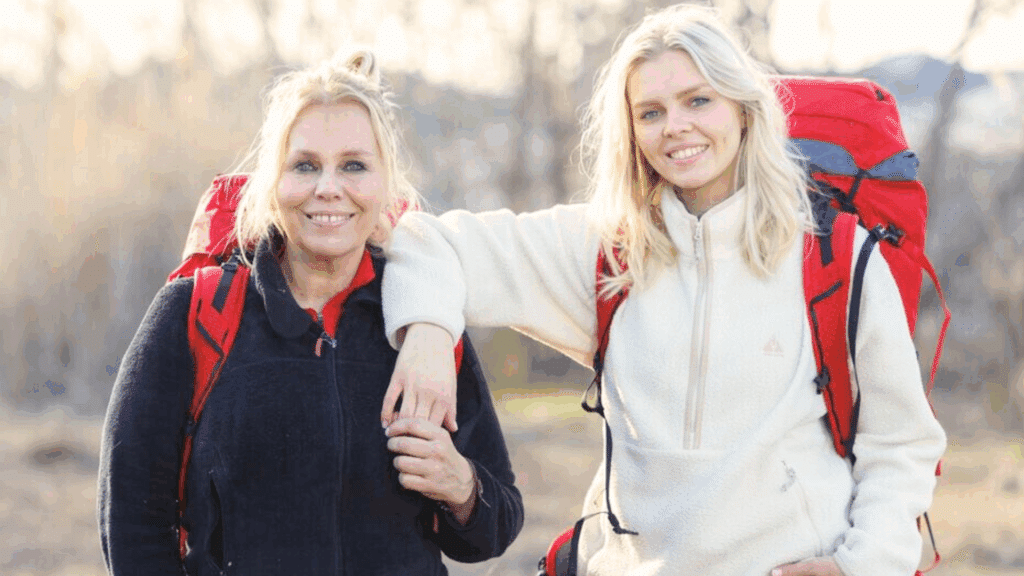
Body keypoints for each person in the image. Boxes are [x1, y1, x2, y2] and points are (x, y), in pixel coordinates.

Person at [379, 5, 945, 576]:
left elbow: (901, 446)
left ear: (744, 110)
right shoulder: (604, 249)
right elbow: (431, 241)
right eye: (651, 112)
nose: (676, 126)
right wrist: (428, 336)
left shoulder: (834, 255)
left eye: (699, 100)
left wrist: (862, 566)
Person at [96, 51, 523, 576]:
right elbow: (132, 522)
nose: (328, 188)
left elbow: (496, 526)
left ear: (384, 186)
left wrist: (462, 487)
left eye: (353, 165)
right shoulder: (197, 313)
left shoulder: (423, 325)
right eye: (305, 165)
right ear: (272, 184)